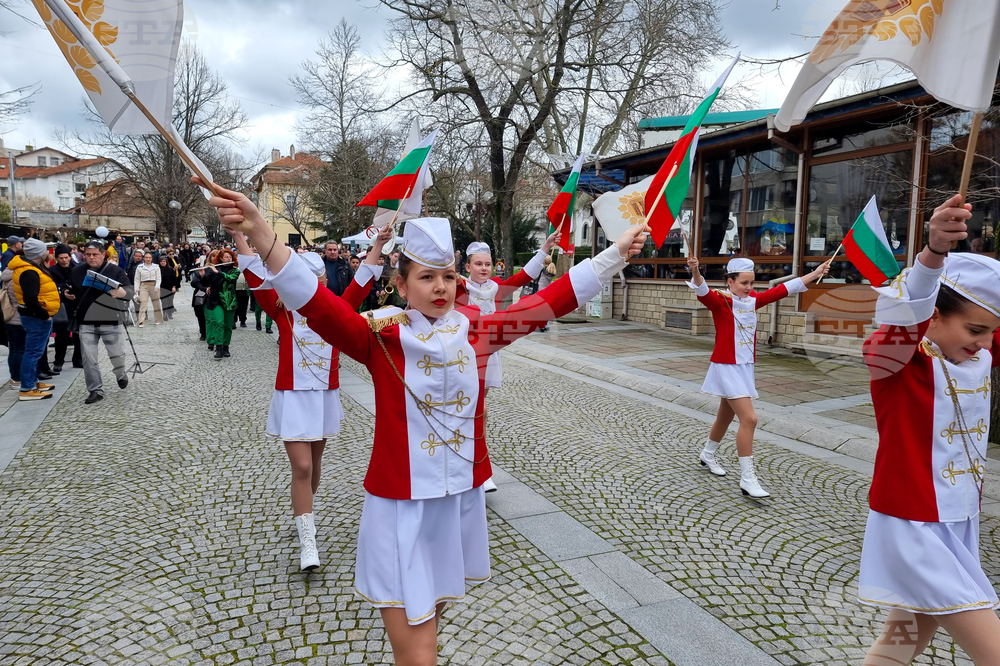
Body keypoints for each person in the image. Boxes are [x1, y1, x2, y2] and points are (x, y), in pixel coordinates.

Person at [199, 177, 645, 665]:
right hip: (401, 505)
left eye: (448, 277)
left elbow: (546, 304)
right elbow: (317, 305)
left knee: (431, 619)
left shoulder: (479, 331)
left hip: (459, 500)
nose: (440, 288)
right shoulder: (379, 336)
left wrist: (616, 252)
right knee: (420, 648)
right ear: (402, 283)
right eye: (427, 277)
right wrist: (262, 232)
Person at [860, 195, 1000, 665]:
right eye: (977, 329)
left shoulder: (974, 352)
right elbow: (899, 320)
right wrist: (932, 255)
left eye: (991, 333)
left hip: (958, 521)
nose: (985, 344)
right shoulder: (894, 362)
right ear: (933, 316)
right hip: (914, 524)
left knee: (901, 642)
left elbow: (980, 336)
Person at [234, 227, 383, 571]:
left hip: (324, 395)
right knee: (301, 467)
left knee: (313, 469)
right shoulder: (280, 310)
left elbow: (361, 283)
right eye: (306, 279)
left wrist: (378, 245)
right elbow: (254, 273)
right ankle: (307, 541)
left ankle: (304, 513)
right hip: (292, 396)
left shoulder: (337, 310)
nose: (313, 286)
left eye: (318, 279)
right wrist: (238, 236)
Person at [685, 255, 828, 498]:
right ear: (730, 282)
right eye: (744, 283)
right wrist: (696, 270)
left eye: (752, 283)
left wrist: (815, 273)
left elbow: (785, 289)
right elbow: (701, 289)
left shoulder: (753, 300)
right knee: (750, 419)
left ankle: (707, 454)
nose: (750, 288)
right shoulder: (720, 302)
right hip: (726, 365)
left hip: (745, 366)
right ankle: (747, 479)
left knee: (725, 416)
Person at [457, 232, 562, 492]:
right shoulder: (457, 285)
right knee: (468, 407)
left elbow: (523, 277)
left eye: (487, 264)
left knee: (480, 406)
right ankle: (470, 463)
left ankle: (479, 466)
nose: (483, 269)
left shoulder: (495, 287)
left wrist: (544, 248)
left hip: (487, 353)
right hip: (461, 353)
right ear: (467, 266)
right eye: (478, 264)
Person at [9, 238, 61, 400]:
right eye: (45, 250)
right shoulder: (29, 271)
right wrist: (44, 315)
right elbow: (30, 298)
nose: (48, 252)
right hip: (36, 317)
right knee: (32, 352)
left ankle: (33, 381)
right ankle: (27, 388)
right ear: (39, 253)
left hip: (34, 316)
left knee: (33, 352)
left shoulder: (31, 268)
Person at [50, 245, 82, 371]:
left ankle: (78, 358)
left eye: (66, 257)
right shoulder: (52, 270)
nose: (64, 260)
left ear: (70, 257)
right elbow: (53, 286)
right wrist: (63, 291)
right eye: (61, 258)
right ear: (57, 258)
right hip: (62, 304)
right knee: (61, 333)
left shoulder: (77, 268)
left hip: (77, 303)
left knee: (78, 333)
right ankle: (59, 360)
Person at [203, 248, 239, 359]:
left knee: (228, 326)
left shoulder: (235, 270)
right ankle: (218, 348)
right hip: (216, 300)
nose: (228, 259)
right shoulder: (215, 268)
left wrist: (217, 272)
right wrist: (202, 275)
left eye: (230, 257)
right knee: (219, 323)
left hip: (229, 301)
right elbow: (205, 282)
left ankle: (225, 347)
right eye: (226, 257)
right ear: (221, 258)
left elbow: (231, 279)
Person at [133, 251, 163, 327]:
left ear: (152, 259)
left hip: (153, 284)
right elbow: (137, 278)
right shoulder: (140, 267)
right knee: (143, 302)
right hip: (143, 285)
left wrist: (157, 286)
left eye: (149, 257)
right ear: (144, 258)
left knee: (156, 303)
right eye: (146, 257)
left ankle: (158, 319)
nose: (148, 259)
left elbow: (158, 278)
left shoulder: (156, 267)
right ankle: (141, 321)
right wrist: (136, 288)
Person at [158, 255, 179, 321]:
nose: (162, 263)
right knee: (163, 301)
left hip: (170, 288)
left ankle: (170, 314)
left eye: (164, 261)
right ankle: (165, 313)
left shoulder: (171, 270)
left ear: (166, 262)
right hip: (161, 288)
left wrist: (174, 287)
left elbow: (174, 279)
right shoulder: (158, 270)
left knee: (170, 301)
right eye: (161, 261)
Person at [190, 266, 208, 341]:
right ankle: (203, 333)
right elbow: (193, 283)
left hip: (211, 295)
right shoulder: (198, 273)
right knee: (200, 316)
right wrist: (201, 275)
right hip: (199, 297)